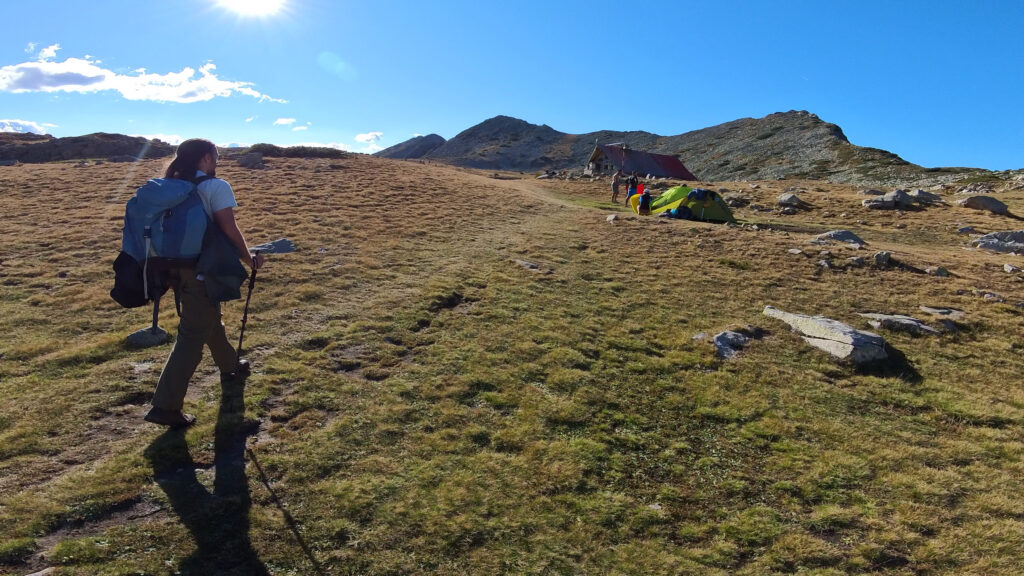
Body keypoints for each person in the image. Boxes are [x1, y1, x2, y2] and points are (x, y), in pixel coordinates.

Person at [144, 139, 265, 428]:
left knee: (208, 318)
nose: (218, 161)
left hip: (172, 269)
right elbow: (229, 228)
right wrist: (248, 258)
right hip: (202, 269)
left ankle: (230, 365)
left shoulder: (169, 187)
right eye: (216, 156)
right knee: (191, 336)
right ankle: (164, 406)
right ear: (206, 158)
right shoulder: (214, 187)